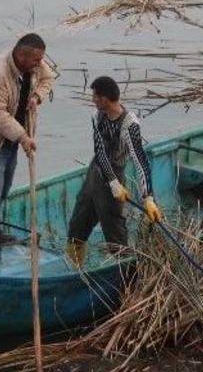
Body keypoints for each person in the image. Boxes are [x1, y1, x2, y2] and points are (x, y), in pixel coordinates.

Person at [0, 33, 55, 269]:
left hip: (13, 137)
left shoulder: (35, 64)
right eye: (36, 60)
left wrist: (37, 96)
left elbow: (49, 78)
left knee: (3, 190)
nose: (39, 64)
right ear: (21, 55)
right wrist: (24, 138)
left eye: (40, 59)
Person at [66, 76, 162, 266]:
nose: (93, 100)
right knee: (79, 221)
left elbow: (140, 160)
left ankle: (125, 269)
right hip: (96, 172)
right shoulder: (97, 116)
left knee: (113, 227)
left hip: (116, 171)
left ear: (104, 98)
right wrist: (112, 182)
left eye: (95, 96)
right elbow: (100, 152)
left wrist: (147, 198)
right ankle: (75, 267)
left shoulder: (130, 125)